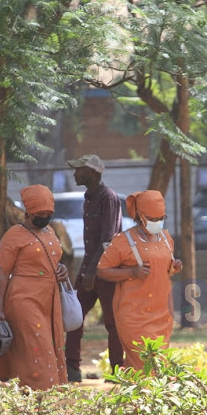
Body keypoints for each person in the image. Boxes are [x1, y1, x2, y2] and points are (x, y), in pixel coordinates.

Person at [0, 185, 69, 389]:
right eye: (40, 214)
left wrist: (62, 270)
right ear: (28, 212)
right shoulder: (14, 234)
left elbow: (52, 260)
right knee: (36, 347)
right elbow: (3, 274)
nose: (45, 217)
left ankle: (43, 393)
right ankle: (39, 394)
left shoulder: (49, 231)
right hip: (24, 298)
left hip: (49, 299)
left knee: (49, 343)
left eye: (48, 213)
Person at [97, 190, 183, 370]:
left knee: (158, 366)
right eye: (153, 218)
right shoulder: (123, 241)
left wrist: (174, 266)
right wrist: (132, 272)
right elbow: (102, 271)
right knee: (142, 364)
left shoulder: (166, 238)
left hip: (162, 315)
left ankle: (135, 398)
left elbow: (164, 270)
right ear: (140, 216)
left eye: (161, 217)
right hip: (134, 315)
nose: (157, 222)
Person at [65, 154, 124, 382]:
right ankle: (72, 370)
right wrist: (87, 269)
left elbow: (108, 238)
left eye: (79, 169)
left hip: (106, 271)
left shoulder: (107, 197)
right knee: (74, 317)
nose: (75, 173)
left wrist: (92, 270)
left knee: (112, 323)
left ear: (93, 173)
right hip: (89, 268)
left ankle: (118, 372)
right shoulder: (88, 197)